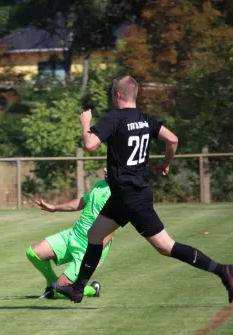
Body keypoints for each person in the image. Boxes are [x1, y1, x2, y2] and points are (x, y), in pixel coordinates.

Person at [53, 75, 233, 304]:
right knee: (94, 235)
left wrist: (85, 123)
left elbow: (90, 144)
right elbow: (173, 140)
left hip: (131, 197)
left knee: (166, 247)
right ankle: (77, 289)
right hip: (125, 194)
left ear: (117, 96)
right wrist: (166, 163)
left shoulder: (114, 118)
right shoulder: (146, 119)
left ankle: (224, 271)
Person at [26, 169, 114, 299]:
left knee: (61, 292)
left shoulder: (120, 194)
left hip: (88, 247)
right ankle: (52, 285)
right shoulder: (100, 184)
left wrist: (95, 253)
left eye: (110, 166)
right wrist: (54, 208)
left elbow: (111, 228)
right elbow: (81, 202)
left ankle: (92, 289)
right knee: (33, 253)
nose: (105, 169)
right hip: (73, 235)